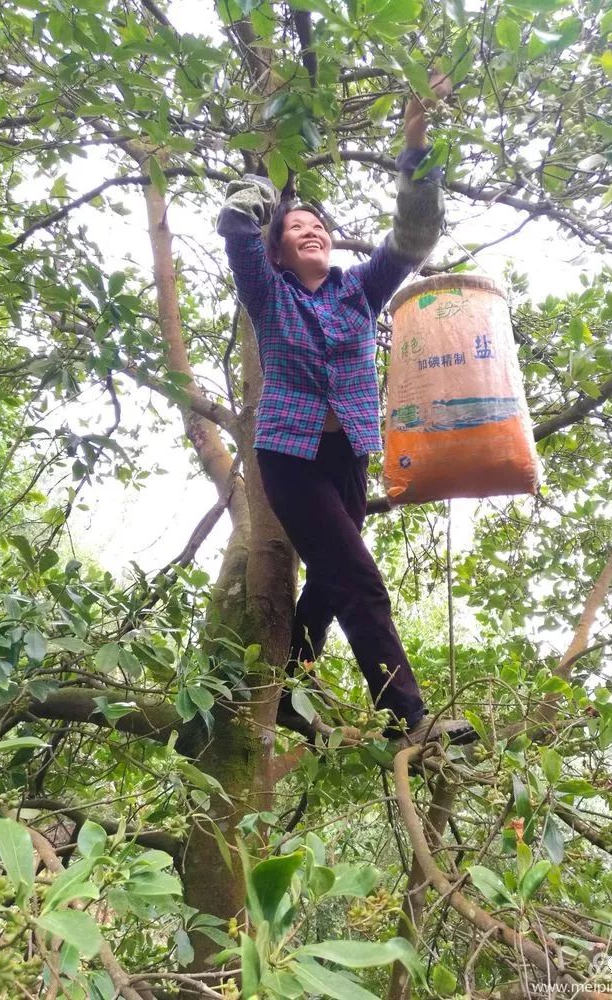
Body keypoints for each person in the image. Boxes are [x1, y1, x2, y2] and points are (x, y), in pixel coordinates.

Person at [217, 77, 477, 748]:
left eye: (319, 227)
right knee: (360, 579)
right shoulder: (268, 293)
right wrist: (268, 188)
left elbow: (414, 236)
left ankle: (291, 690)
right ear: (278, 250)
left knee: (333, 582)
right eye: (296, 228)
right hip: (289, 456)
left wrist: (416, 142)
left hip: (347, 454)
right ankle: (407, 718)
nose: (312, 232)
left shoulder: (359, 290)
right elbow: (237, 228)